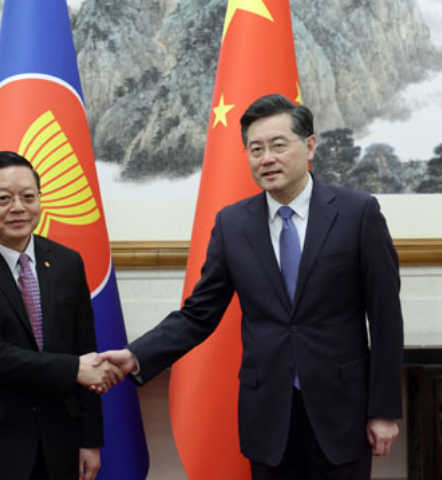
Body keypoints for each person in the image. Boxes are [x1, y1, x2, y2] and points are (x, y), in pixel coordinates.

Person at [98, 94, 404, 479]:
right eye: (255, 149)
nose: (267, 158)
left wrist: (384, 410)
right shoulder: (233, 225)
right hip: (268, 414)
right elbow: (198, 314)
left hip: (342, 409)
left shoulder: (358, 213)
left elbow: (386, 317)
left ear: (309, 145)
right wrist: (135, 355)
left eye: (278, 145)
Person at [0, 151, 122, 480]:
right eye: (3, 198)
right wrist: (74, 369)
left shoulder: (66, 262)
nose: (18, 207)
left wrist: (90, 440)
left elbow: (84, 347)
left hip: (58, 444)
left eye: (28, 197)